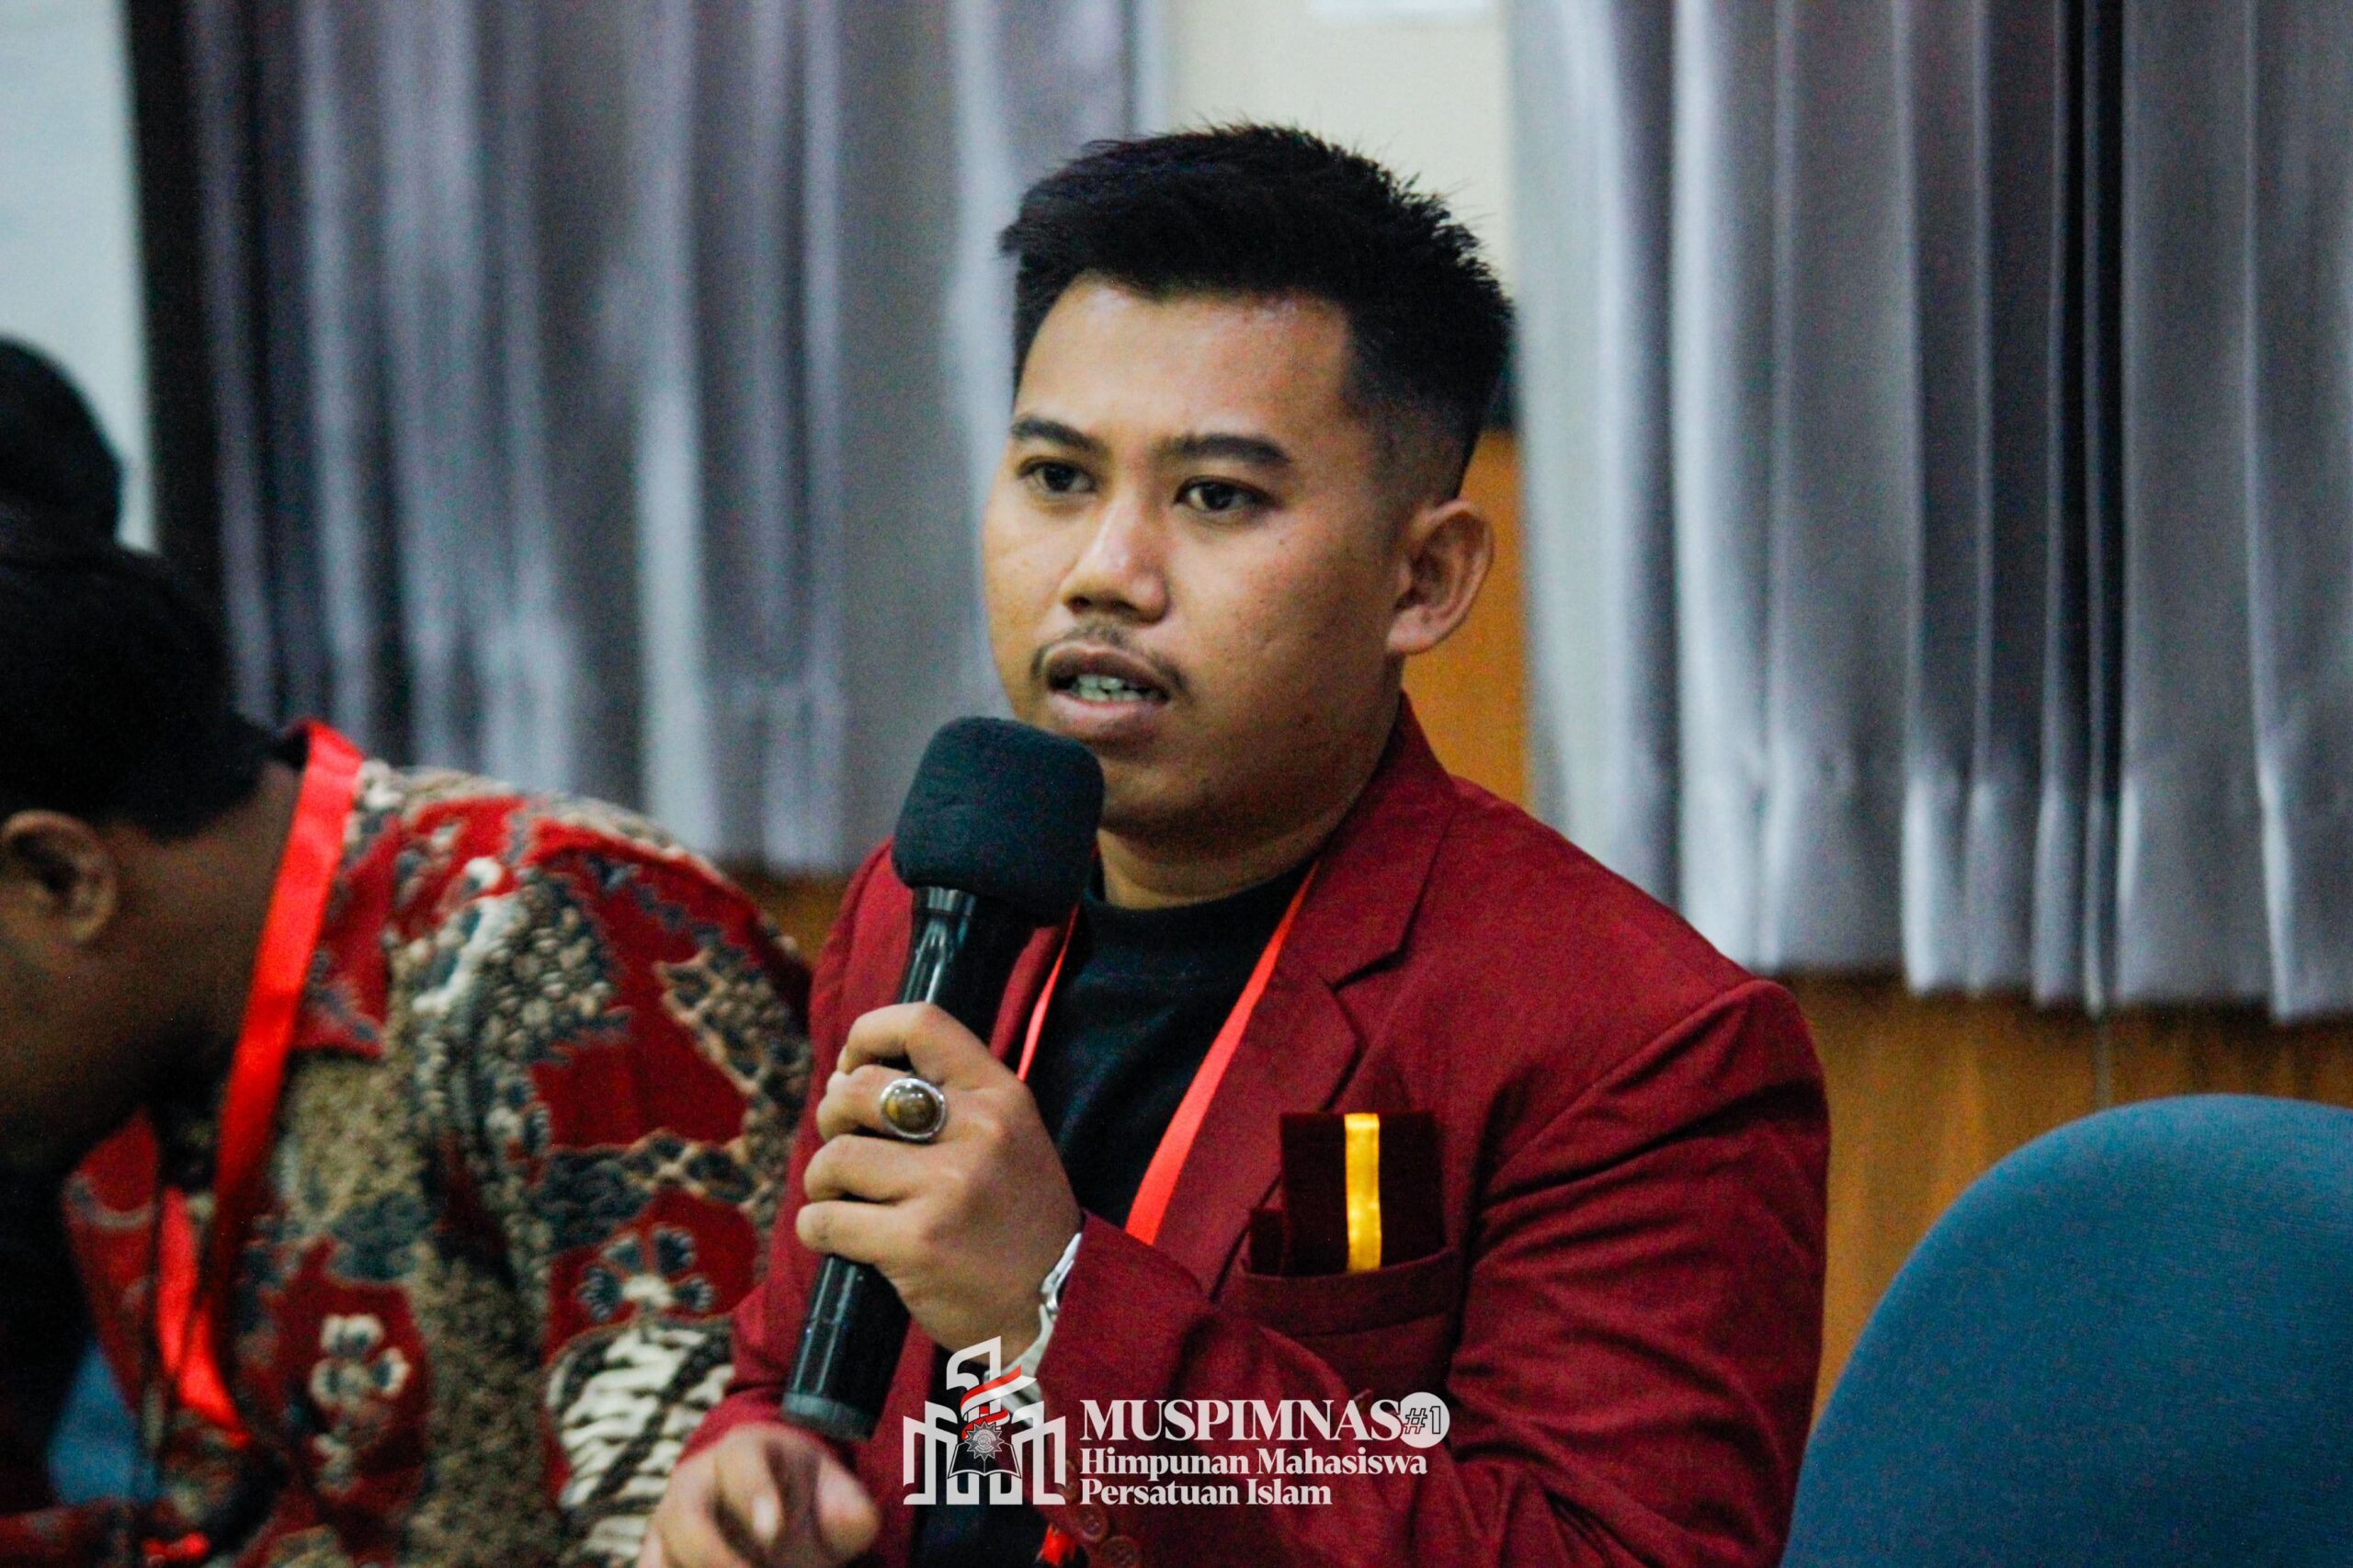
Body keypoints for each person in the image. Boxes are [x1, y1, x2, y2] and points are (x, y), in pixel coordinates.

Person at [646, 126, 1828, 1568]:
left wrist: (1055, 1307)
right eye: (1056, 476)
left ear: (1424, 576)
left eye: (1215, 496)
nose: (1104, 572)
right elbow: (795, 1372)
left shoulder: (1637, 1044)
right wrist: (754, 1465)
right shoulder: (927, 904)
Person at [0, 342, 814, 1566]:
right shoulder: (122, 1057)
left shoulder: (557, 937)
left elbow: (697, 1528)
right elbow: (238, 1530)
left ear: (66, 877)